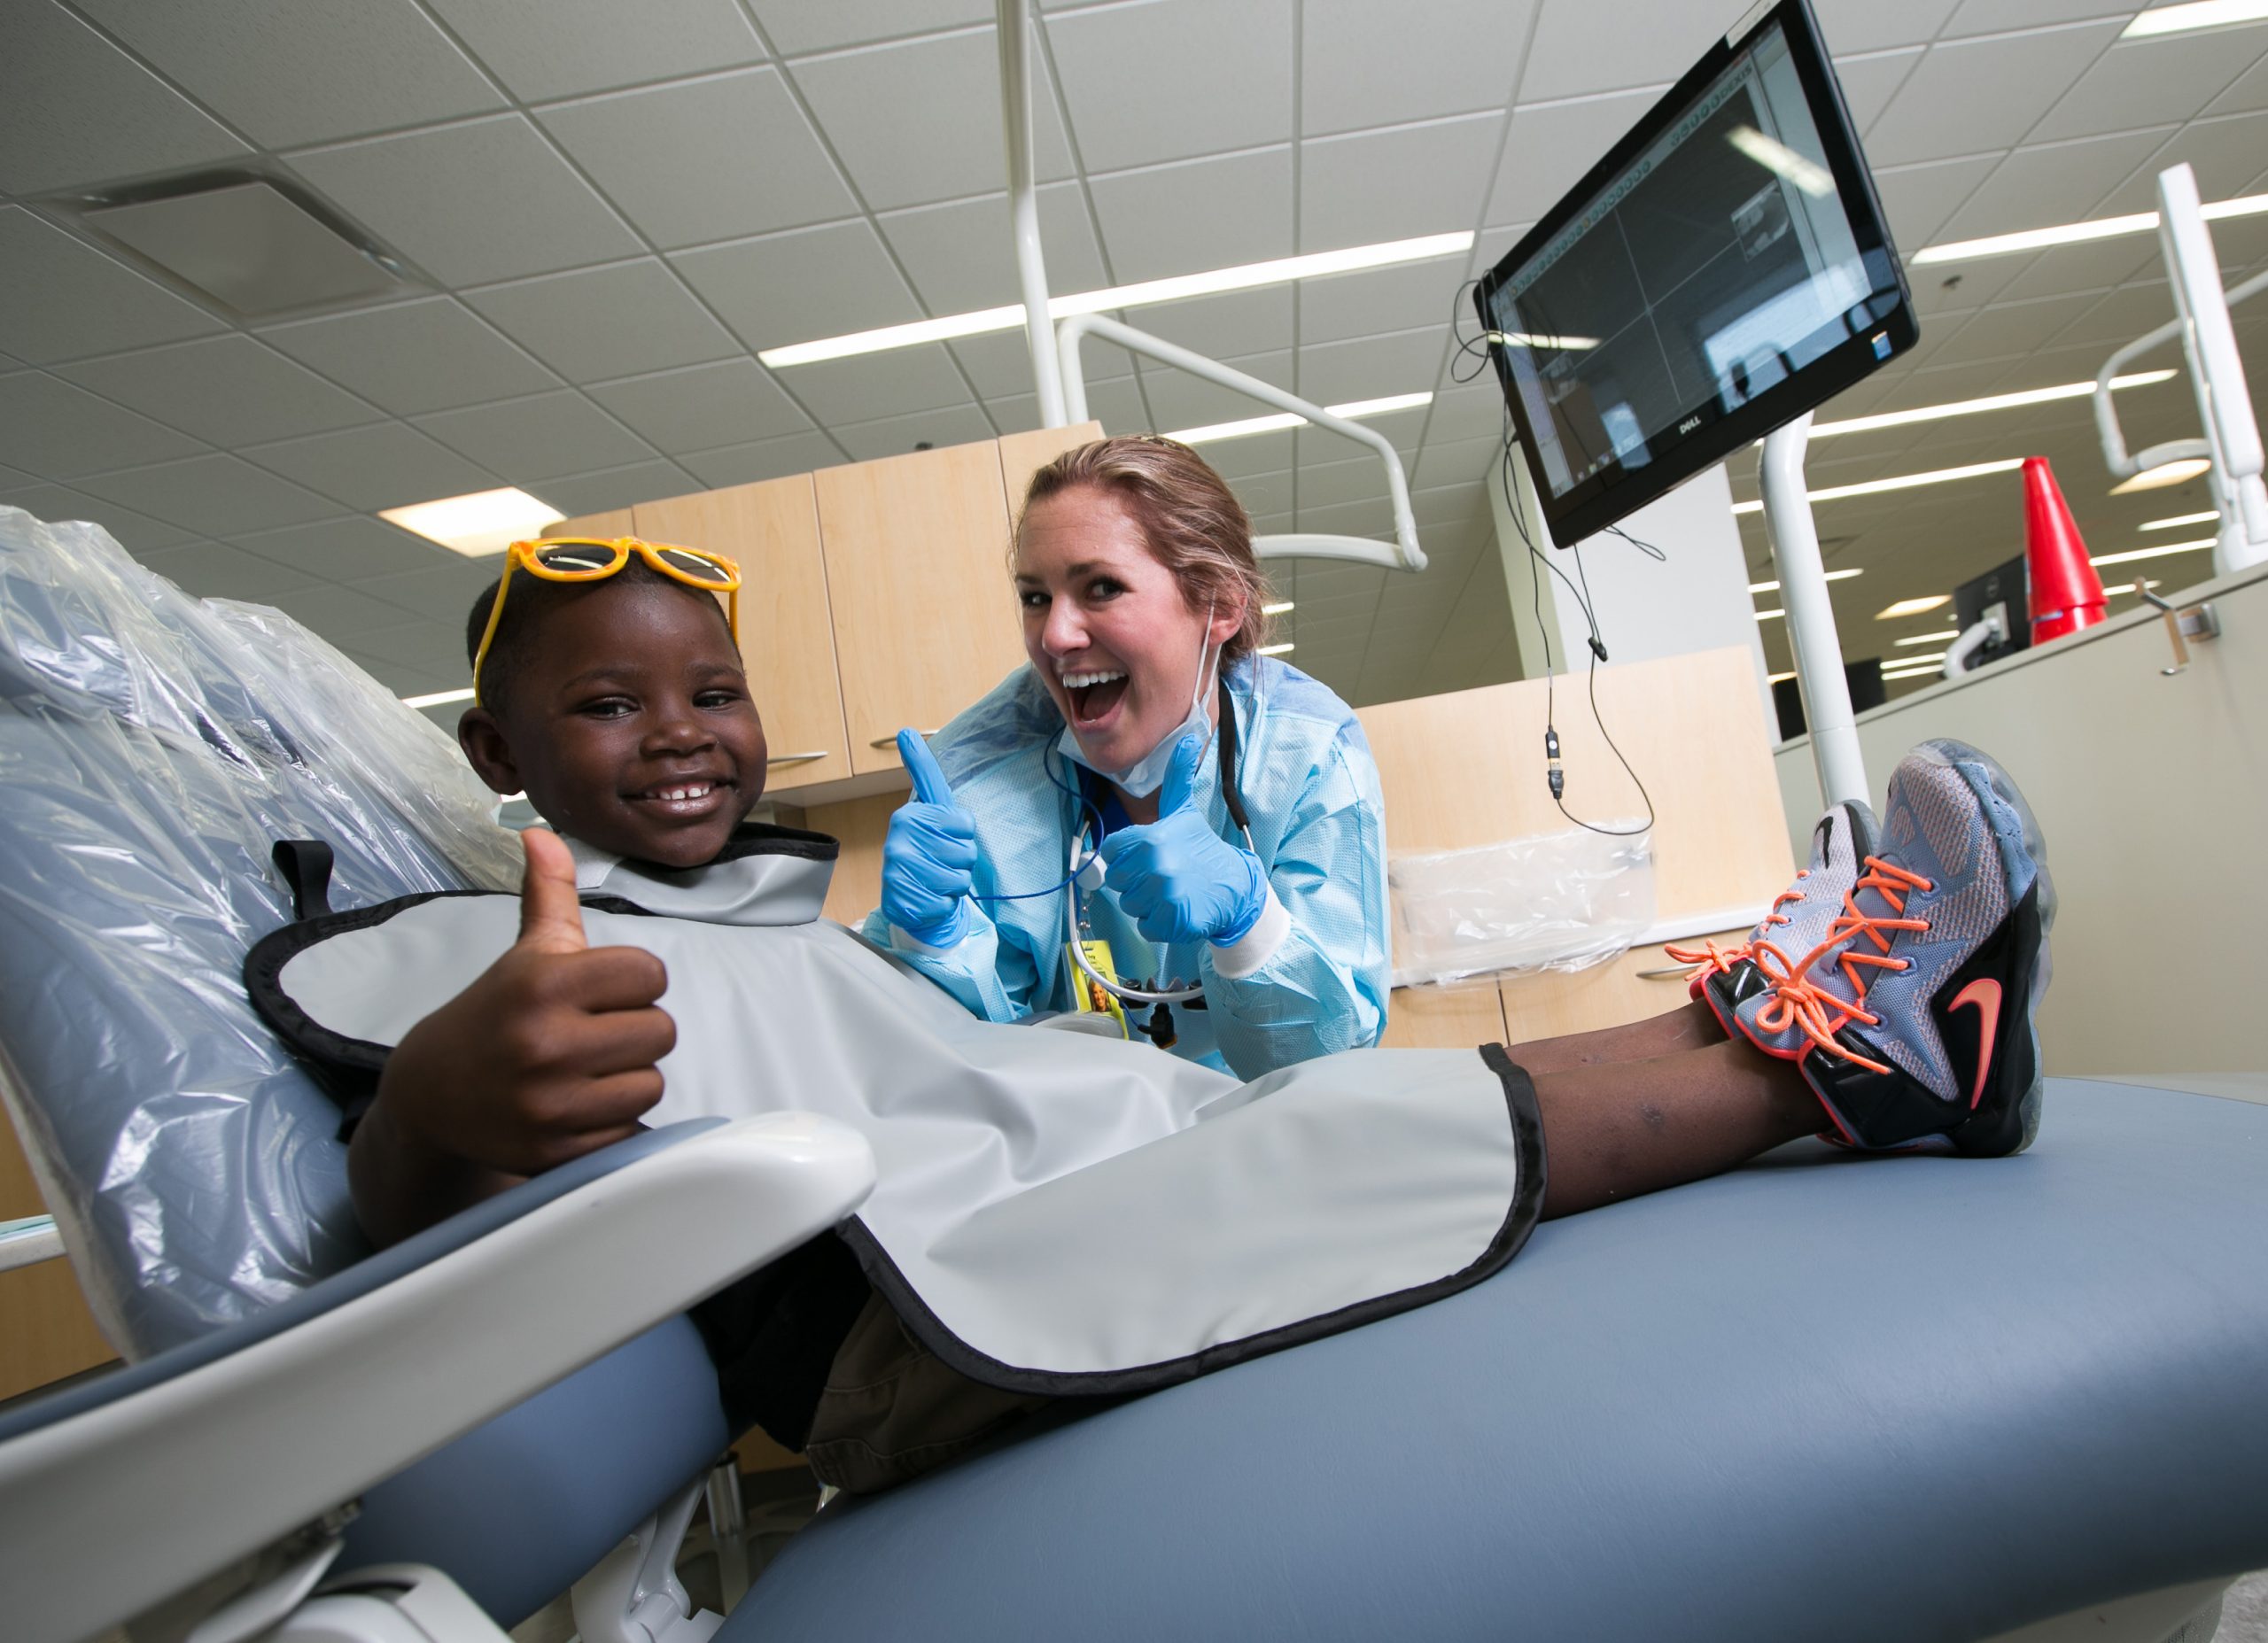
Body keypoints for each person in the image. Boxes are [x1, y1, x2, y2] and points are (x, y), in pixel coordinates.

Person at [306, 535, 2052, 1496]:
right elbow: (437, 1238)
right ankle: (1837, 1062)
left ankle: (1796, 1028)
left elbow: (1037, 1058)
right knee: (1304, 1133)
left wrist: (1153, 971)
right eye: (612, 704)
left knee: (1252, 1103)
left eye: (713, 693)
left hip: (1023, 1197)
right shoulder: (522, 958)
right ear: (499, 755)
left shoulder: (1290, 745)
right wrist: (435, 1106)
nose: (682, 733)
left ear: (1211, 612)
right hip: (908, 1328)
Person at [865, 436, 1391, 1080]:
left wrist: (1251, 926)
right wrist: (928, 941)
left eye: (1103, 587)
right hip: (1079, 1149)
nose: (1055, 635)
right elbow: (948, 1070)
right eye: (1035, 597)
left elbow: (1334, 1063)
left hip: (1267, 1141)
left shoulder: (1307, 754)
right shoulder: (976, 782)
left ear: (1221, 604)